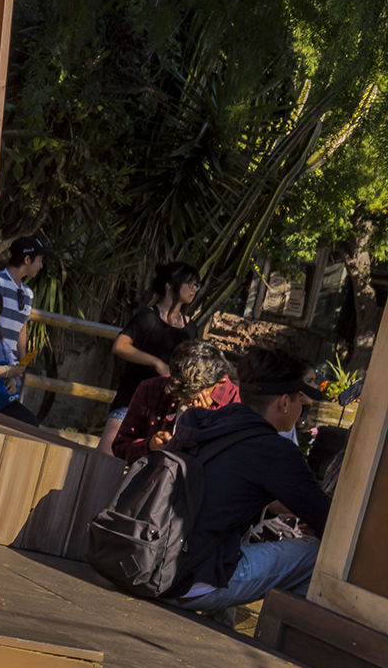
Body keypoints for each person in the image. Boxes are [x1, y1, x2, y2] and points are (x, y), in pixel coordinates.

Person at [163, 349, 332, 617]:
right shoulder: (275, 450)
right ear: (284, 403)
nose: (302, 409)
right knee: (317, 557)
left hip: (153, 562)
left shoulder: (209, 421)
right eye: (301, 400)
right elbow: (327, 519)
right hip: (187, 584)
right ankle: (283, 645)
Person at [98, 338, 239, 462]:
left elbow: (234, 463)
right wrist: (149, 445)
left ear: (218, 383)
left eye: (190, 396)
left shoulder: (236, 402)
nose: (182, 401)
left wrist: (207, 422)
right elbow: (120, 448)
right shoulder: (152, 388)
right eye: (178, 395)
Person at [111, 261, 201, 413]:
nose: (194, 289)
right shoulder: (147, 317)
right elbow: (120, 346)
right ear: (170, 285)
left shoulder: (190, 329)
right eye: (189, 283)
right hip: (131, 400)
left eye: (196, 285)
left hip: (165, 408)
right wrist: (156, 362)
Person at [0, 234, 49, 359]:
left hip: (12, 366)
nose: (41, 266)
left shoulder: (28, 293)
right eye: (40, 260)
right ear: (27, 260)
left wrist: (22, 365)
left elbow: (22, 329)